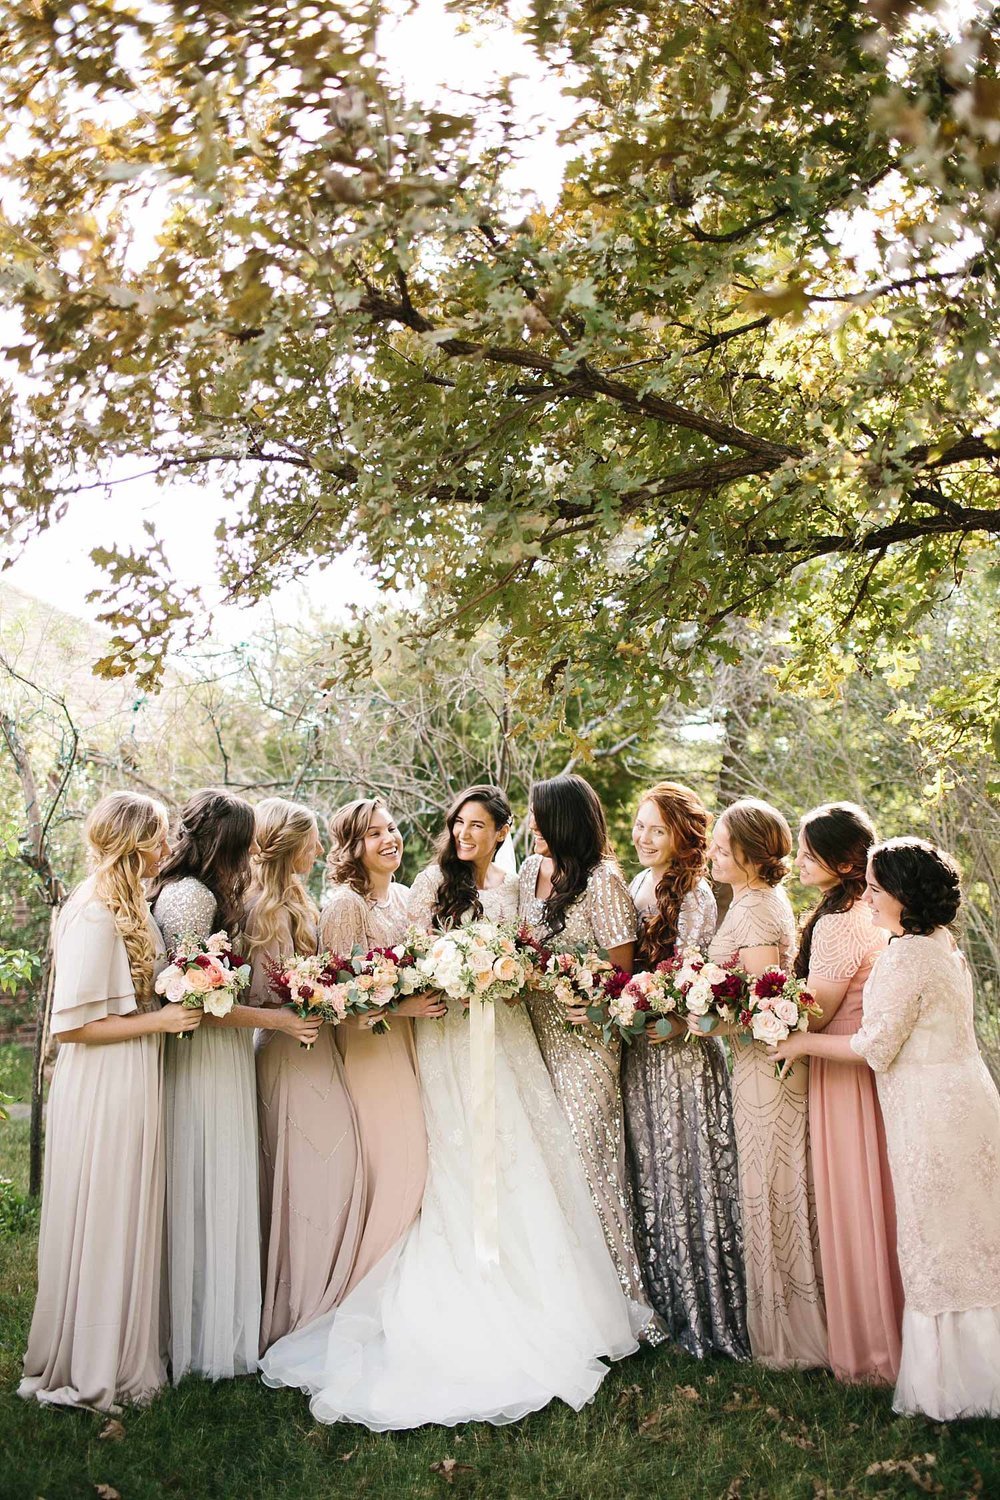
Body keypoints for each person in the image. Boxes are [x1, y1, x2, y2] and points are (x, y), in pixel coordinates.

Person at [260, 784, 640, 1428]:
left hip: (507, 1034)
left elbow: (526, 952)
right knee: (454, 1155)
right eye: (458, 823)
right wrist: (447, 975)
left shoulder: (515, 886)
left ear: (501, 832)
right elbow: (407, 961)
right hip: (443, 1036)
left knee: (520, 1148)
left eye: (478, 825)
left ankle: (540, 1288)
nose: (464, 834)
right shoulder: (431, 883)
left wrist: (503, 973)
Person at [774, 837, 1000, 1419]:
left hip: (931, 1111)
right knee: (973, 1235)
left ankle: (960, 1387)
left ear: (903, 894)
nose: (868, 898)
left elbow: (874, 1046)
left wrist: (801, 1042)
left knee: (936, 1239)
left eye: (876, 889)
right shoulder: (939, 942)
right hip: (966, 1097)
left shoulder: (906, 957)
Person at [20, 792, 199, 1411]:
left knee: (127, 1209)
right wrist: (161, 1021)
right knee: (106, 1209)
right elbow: (72, 1027)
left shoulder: (133, 903)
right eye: (159, 835)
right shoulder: (93, 912)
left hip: (133, 1072)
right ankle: (94, 1362)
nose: (168, 845)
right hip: (103, 1083)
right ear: (135, 842)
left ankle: (125, 1348)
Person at [152, 788, 315, 1382]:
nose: (252, 855)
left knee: (219, 1183)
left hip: (223, 1056)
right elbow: (197, 1001)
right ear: (225, 842)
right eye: (245, 844)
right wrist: (280, 1021)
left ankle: (217, 1325)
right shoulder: (191, 898)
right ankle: (202, 1338)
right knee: (206, 1182)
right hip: (202, 1059)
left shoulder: (207, 894)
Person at [518, 773, 658, 1341]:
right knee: (546, 1166)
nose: (531, 825)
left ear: (565, 821)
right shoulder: (529, 871)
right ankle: (559, 1302)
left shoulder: (604, 883)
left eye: (539, 816)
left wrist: (592, 1003)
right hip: (532, 1035)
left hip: (586, 1042)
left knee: (589, 1163)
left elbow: (622, 977)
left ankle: (619, 1305)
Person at [690, 797, 827, 1369]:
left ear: (749, 855)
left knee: (772, 1186)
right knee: (772, 1183)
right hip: (758, 1063)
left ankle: (790, 1336)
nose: (714, 856)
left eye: (724, 849)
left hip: (765, 1067)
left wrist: (700, 1018)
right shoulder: (758, 899)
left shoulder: (752, 910)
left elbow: (762, 1007)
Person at [622, 782, 748, 1360]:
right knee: (651, 1171)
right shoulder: (635, 884)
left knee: (686, 1168)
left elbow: (696, 974)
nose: (644, 838)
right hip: (639, 1048)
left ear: (682, 835)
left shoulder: (694, 892)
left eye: (657, 829)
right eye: (640, 826)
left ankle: (706, 1311)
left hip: (681, 1053)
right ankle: (661, 1307)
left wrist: (676, 1020)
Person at [245, 797, 364, 1352]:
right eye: (312, 840)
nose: (319, 849)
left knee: (336, 1169)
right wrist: (298, 1009)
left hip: (317, 1047)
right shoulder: (258, 910)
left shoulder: (299, 896)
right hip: (285, 1052)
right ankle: (298, 1308)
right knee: (304, 1177)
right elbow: (259, 996)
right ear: (290, 846)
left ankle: (329, 1295)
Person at [793, 803, 901, 1384]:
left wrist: (756, 1009)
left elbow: (816, 1012)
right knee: (874, 1190)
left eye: (809, 854)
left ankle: (869, 1350)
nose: (798, 862)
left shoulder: (838, 922)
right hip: (864, 1062)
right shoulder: (869, 908)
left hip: (840, 1062)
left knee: (852, 1196)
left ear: (841, 861)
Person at [319, 797, 445, 1296]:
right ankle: (371, 1287)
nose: (389, 839)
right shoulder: (345, 906)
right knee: (399, 1164)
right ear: (353, 846)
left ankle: (413, 1283)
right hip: (371, 1050)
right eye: (374, 833)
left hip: (414, 1046)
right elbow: (335, 1000)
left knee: (422, 1162)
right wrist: (401, 1009)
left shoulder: (406, 895)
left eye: (391, 828)